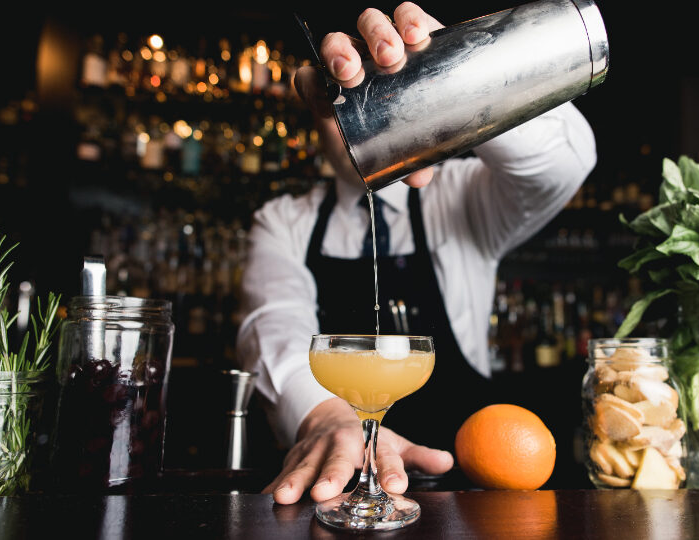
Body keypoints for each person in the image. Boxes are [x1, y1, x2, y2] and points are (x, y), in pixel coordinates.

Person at [235, 2, 597, 505]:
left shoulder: (463, 195)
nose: (361, 113)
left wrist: (454, 73)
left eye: (378, 93)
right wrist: (326, 417)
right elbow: (272, 322)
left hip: (465, 490)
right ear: (315, 113)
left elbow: (565, 163)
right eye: (342, 95)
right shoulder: (283, 221)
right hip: (335, 490)